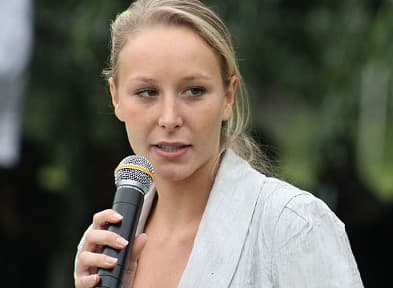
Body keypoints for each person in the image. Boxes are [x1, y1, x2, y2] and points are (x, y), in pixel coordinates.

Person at [74, 0, 363, 287]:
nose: (170, 118)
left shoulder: (293, 226)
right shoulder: (104, 247)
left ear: (228, 96)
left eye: (194, 91)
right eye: (147, 92)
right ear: (116, 97)